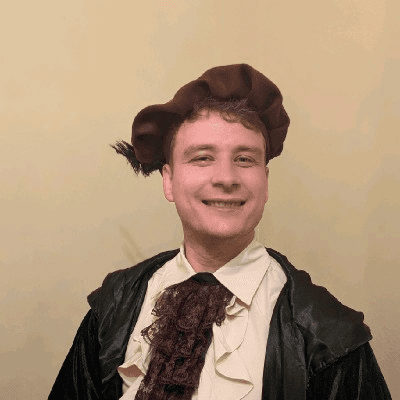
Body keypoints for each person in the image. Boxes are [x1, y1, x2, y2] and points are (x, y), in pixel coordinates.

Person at [49, 64, 391, 399]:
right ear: (168, 180)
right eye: (202, 158)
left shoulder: (328, 335)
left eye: (244, 159)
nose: (226, 178)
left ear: (265, 182)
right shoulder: (113, 306)